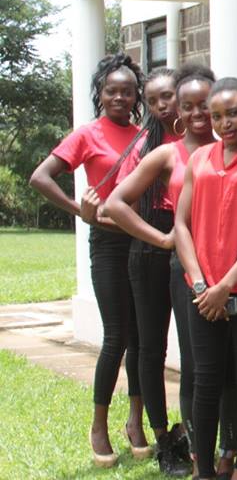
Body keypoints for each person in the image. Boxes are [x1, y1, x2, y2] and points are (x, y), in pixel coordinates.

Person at [104, 65, 237, 477]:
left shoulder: (234, 147)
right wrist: (161, 240)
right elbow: (115, 203)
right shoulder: (169, 153)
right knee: (198, 366)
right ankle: (197, 452)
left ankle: (229, 448)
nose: (199, 114)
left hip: (233, 269)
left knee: (231, 365)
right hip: (189, 270)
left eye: (206, 105)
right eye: (189, 107)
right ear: (178, 112)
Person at [29, 53, 146, 467]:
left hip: (142, 243)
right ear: (100, 93)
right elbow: (41, 177)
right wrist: (81, 211)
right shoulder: (87, 134)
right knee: (116, 336)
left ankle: (136, 422)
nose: (119, 96)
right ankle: (98, 425)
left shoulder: (146, 135)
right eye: (111, 90)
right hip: (109, 246)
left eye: (127, 91)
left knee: (140, 340)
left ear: (136, 96)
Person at [175, 77, 237, 480]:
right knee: (205, 379)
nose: (224, 123)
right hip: (200, 292)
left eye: (233, 113)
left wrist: (226, 284)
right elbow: (180, 224)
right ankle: (205, 470)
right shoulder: (199, 159)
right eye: (217, 116)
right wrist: (200, 284)